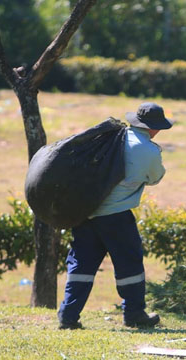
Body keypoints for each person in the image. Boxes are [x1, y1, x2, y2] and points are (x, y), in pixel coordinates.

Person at [58, 102, 173, 330]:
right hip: (116, 216)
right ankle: (134, 314)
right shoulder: (148, 150)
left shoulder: (113, 137)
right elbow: (155, 178)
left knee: (82, 264)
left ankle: (68, 316)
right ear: (155, 128)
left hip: (86, 212)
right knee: (129, 264)